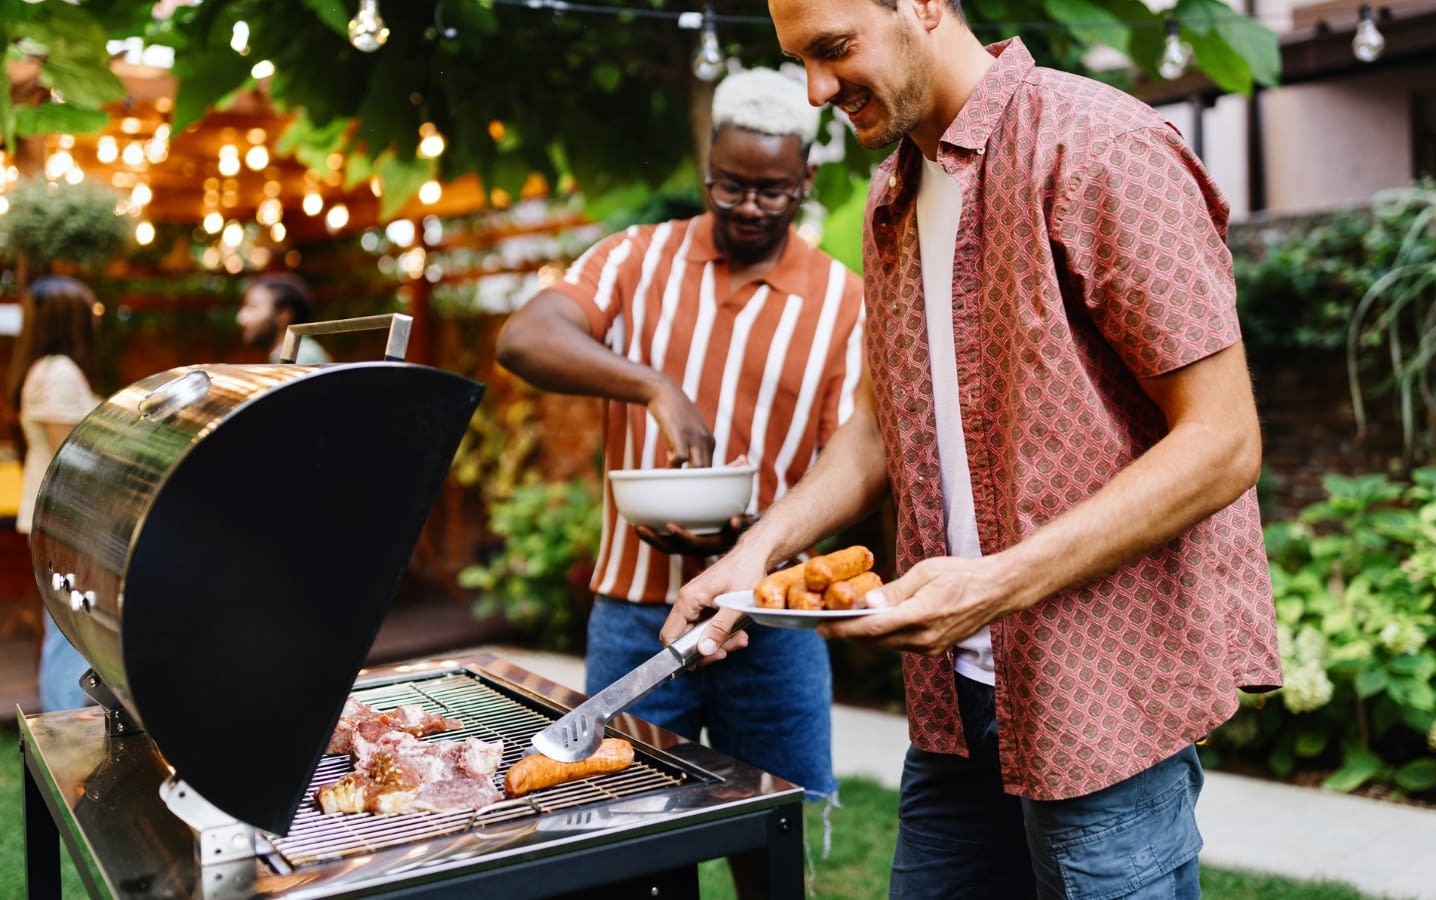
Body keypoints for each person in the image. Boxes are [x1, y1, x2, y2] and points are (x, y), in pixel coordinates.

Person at [665, 2, 1283, 898]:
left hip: (1099, 701)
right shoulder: (893, 196)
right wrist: (753, 556)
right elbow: (880, 427)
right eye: (800, 60)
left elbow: (1224, 441)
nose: (815, 90)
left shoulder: (1097, 143)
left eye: (834, 51)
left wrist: (990, 584)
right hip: (955, 702)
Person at [495, 67, 863, 823]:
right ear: (707, 170)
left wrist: (756, 542)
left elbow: (850, 464)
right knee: (622, 832)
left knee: (775, 832)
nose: (750, 208)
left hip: (771, 620)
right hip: (633, 615)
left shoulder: (844, 300)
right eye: (730, 186)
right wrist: (655, 388)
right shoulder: (635, 257)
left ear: (807, 178)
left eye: (774, 190)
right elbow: (524, 337)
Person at [5, 277, 103, 711]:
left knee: (64, 627)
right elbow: (78, 451)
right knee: (70, 632)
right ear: (72, 319)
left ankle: (60, 721)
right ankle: (62, 733)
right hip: (65, 519)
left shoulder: (43, 368)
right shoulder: (59, 370)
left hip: (51, 516)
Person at [237, 272, 331, 363]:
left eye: (252, 306)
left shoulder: (301, 356)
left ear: (284, 315)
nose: (241, 318)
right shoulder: (286, 353)